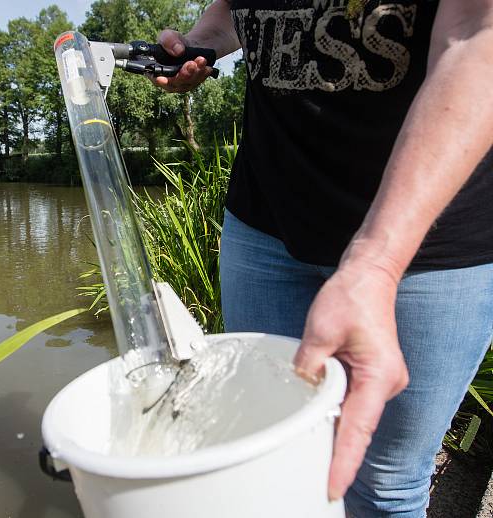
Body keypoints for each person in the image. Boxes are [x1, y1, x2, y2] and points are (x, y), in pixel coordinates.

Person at [148, 1, 493, 516]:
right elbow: (231, 9)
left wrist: (376, 263)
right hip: (265, 226)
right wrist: (201, 45)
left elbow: (474, 39)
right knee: (277, 454)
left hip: (429, 250)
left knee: (383, 483)